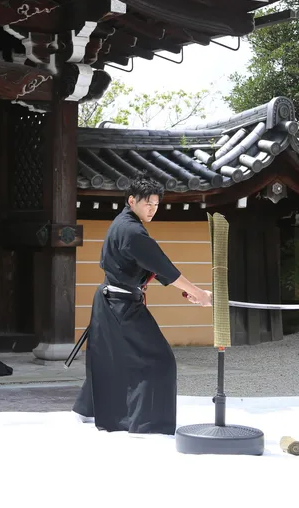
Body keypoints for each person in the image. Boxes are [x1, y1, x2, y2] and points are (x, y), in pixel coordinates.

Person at [72, 173, 213, 435]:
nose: (152, 209)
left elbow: (151, 266)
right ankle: (149, 423)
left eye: (156, 204)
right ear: (131, 200)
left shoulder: (124, 223)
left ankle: (87, 409)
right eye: (148, 204)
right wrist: (198, 293)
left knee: (110, 356)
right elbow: (163, 266)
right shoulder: (132, 231)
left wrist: (189, 293)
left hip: (110, 301)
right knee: (159, 359)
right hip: (121, 306)